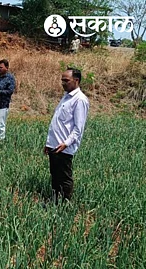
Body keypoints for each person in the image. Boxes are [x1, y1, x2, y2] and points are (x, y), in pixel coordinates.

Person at [43, 68, 89, 203]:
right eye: (62, 80)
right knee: (55, 176)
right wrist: (49, 143)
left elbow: (78, 128)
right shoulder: (66, 96)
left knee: (64, 177)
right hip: (55, 144)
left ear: (76, 80)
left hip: (64, 146)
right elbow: (57, 122)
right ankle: (55, 201)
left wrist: (66, 143)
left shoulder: (80, 100)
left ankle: (64, 205)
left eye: (66, 80)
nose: (63, 83)